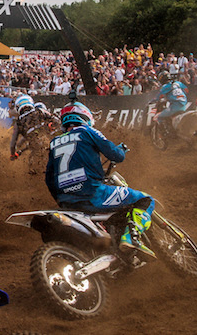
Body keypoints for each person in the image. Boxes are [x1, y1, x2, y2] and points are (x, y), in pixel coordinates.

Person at [45, 101, 156, 259]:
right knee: (145, 199)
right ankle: (131, 238)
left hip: (67, 202)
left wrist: (62, 199)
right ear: (85, 117)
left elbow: (49, 179)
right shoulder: (87, 131)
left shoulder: (54, 143)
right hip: (93, 193)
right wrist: (121, 149)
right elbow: (116, 155)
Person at [8, 94, 40, 159]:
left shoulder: (18, 123)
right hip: (48, 141)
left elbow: (12, 145)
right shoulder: (39, 112)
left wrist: (12, 155)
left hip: (34, 144)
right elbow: (56, 121)